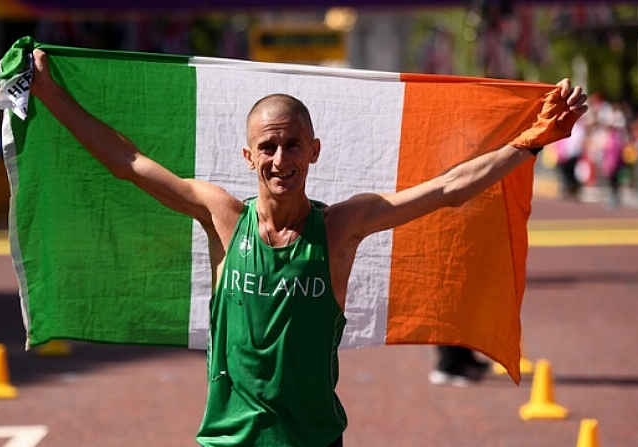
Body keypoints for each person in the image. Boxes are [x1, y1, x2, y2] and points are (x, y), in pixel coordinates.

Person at [29, 48, 588, 447]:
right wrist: (49, 92)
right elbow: (128, 163)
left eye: (292, 144)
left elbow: (445, 190)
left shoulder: (342, 227)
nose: (280, 158)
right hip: (229, 441)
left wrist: (529, 142)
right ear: (249, 157)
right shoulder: (222, 217)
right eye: (267, 147)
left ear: (314, 150)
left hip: (314, 441)